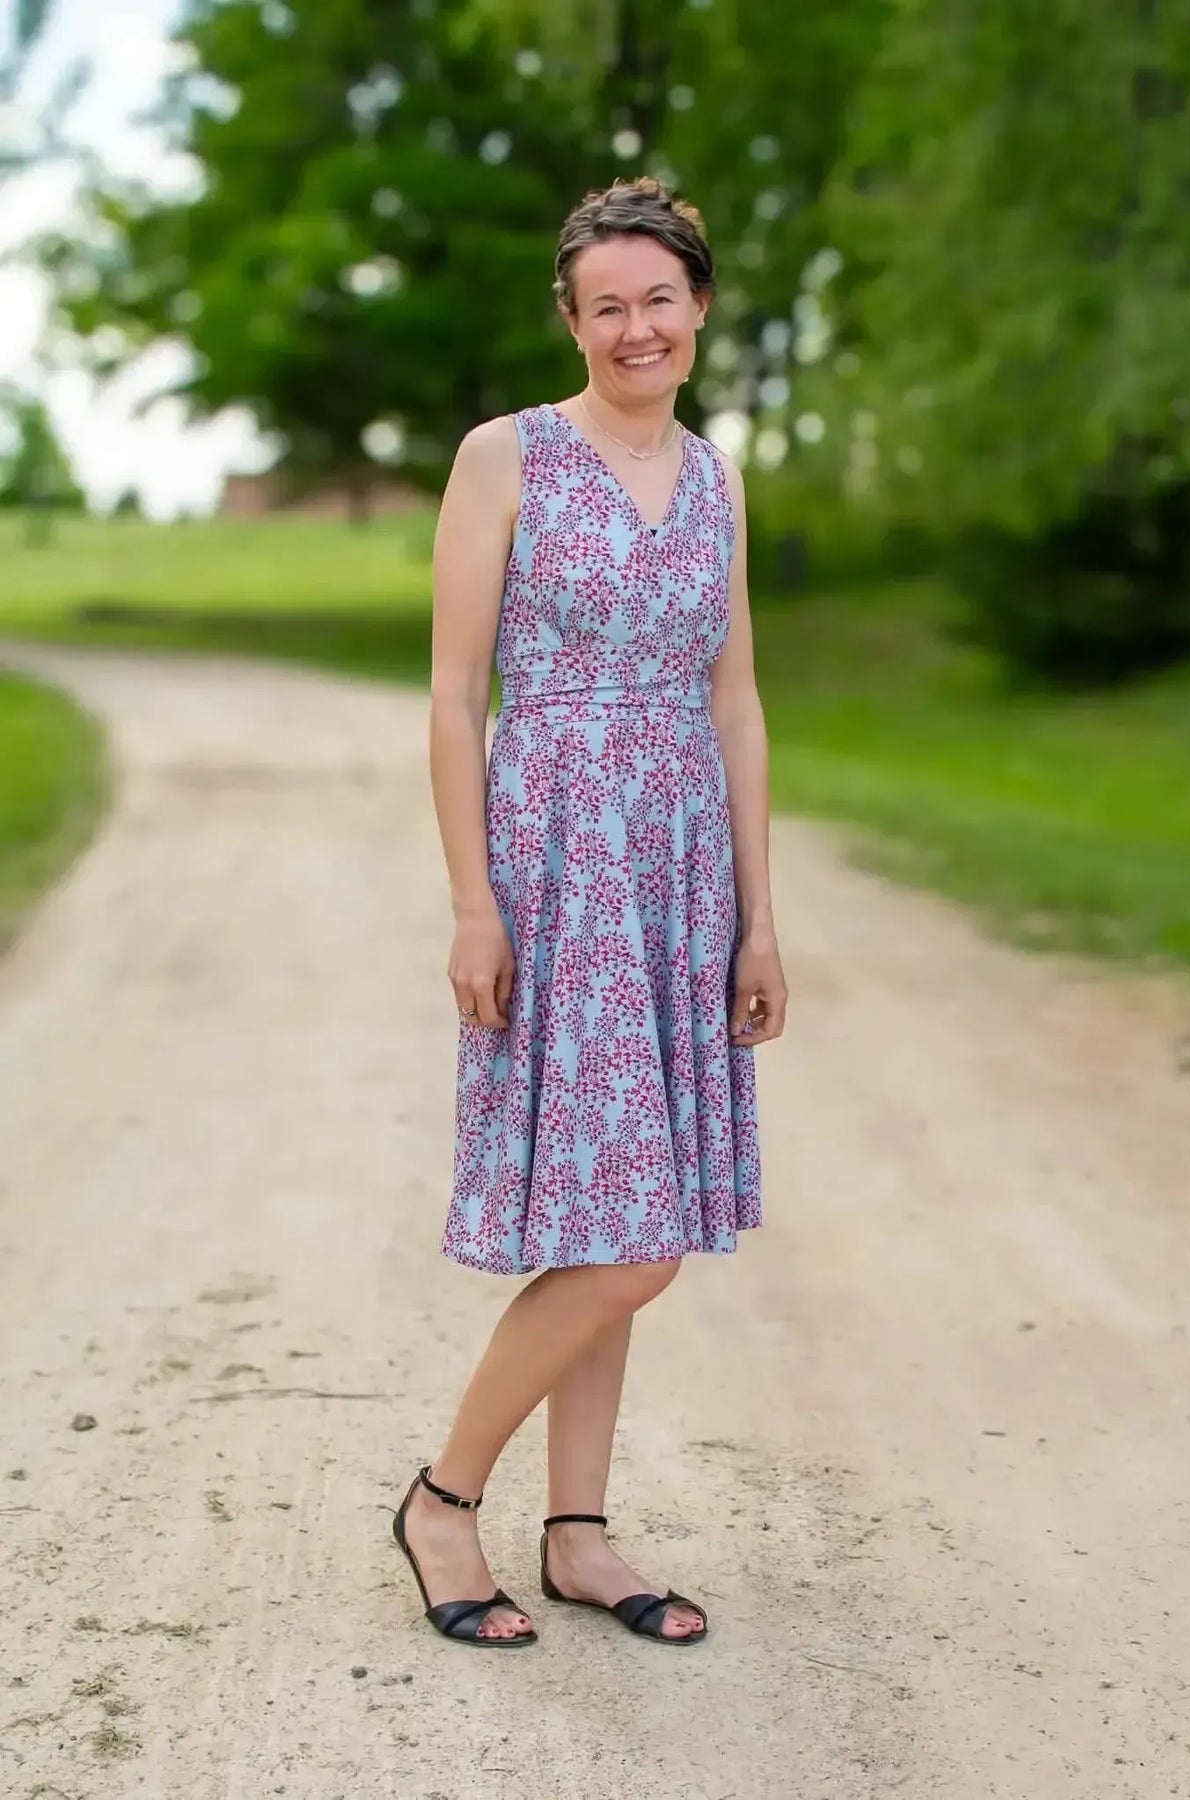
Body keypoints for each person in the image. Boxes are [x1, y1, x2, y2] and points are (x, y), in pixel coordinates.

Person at [393, 176, 787, 1649]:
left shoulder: (723, 477)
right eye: (607, 303)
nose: (638, 326)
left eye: (660, 299)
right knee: (633, 1236)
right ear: (571, 317)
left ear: (698, 309)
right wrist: (471, 903)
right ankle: (445, 1495)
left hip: (677, 869)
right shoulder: (506, 458)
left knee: (623, 1214)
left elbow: (736, 703)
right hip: (554, 857)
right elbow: (450, 694)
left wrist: (758, 916)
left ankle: (577, 1534)